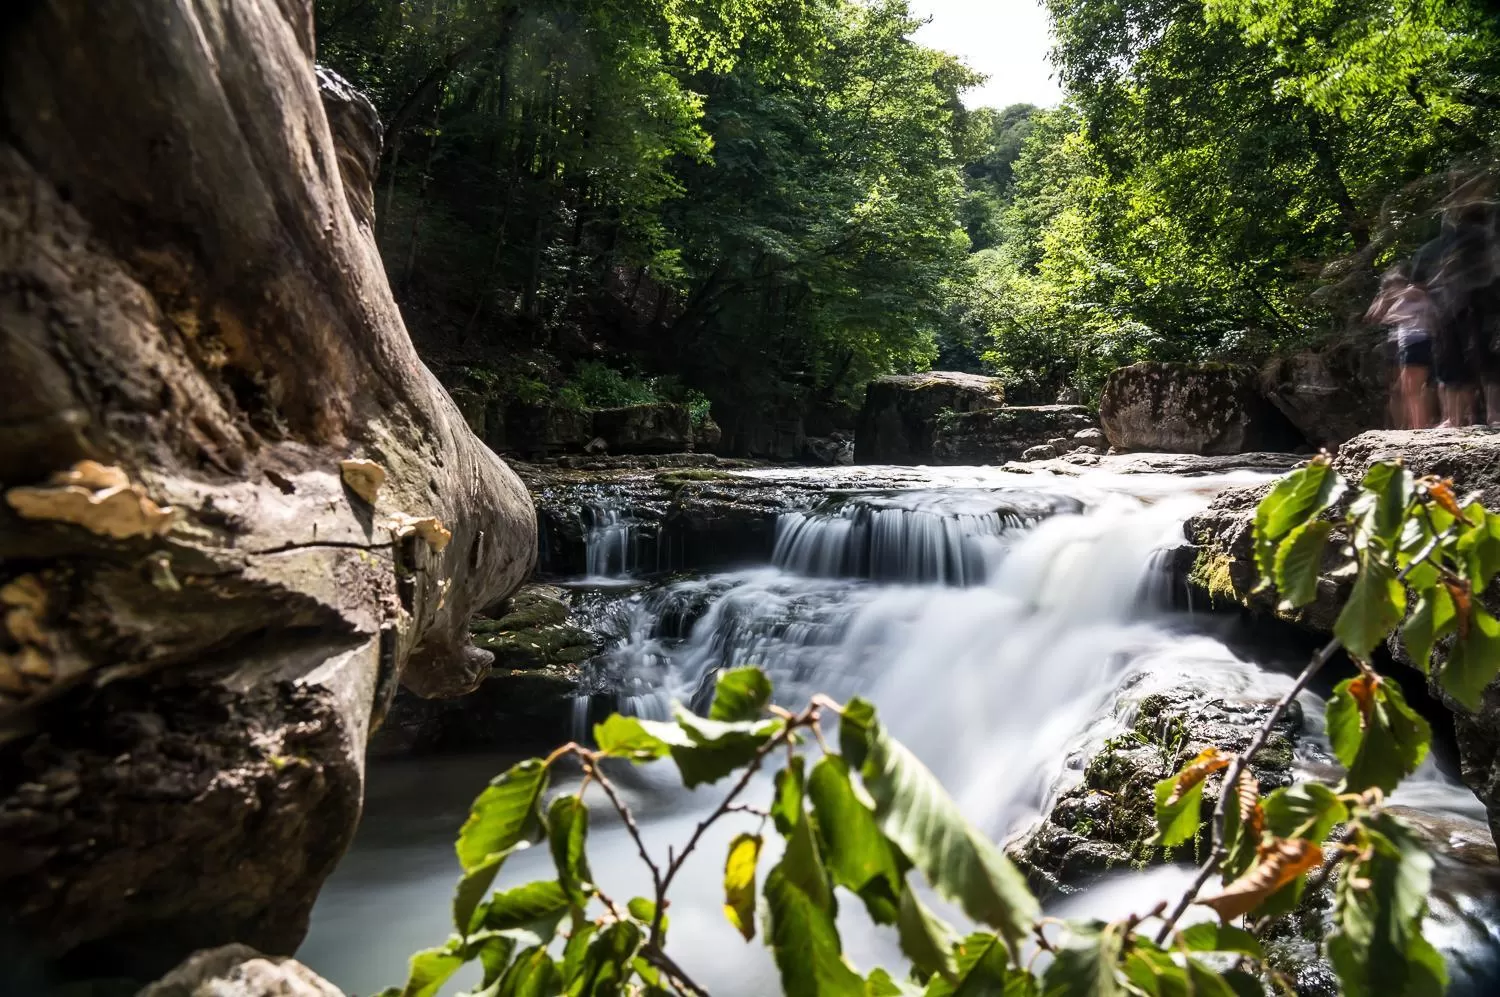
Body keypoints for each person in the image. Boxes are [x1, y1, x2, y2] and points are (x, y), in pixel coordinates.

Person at [1366, 266, 1437, 430]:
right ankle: (1404, 426)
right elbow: (1374, 316)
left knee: (1416, 386)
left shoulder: (1412, 293)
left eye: (1397, 283)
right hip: (1397, 343)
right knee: (1398, 389)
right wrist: (1384, 298)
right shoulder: (1392, 298)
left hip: (1416, 340)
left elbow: (1414, 298)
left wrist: (1395, 296)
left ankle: (1419, 424)